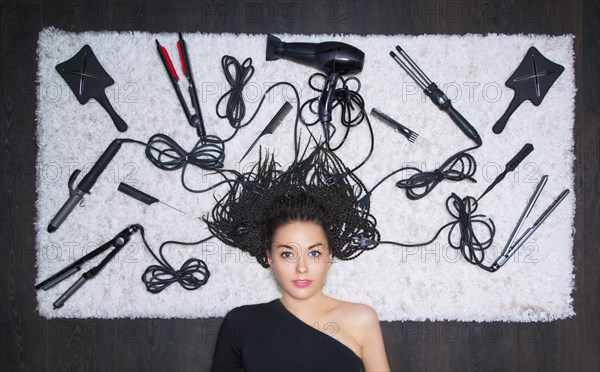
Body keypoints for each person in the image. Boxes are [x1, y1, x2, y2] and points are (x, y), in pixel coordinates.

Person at [205, 145, 389, 371]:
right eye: (287, 254)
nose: (301, 268)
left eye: (313, 253)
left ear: (330, 256)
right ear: (269, 258)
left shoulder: (362, 319)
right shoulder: (241, 322)